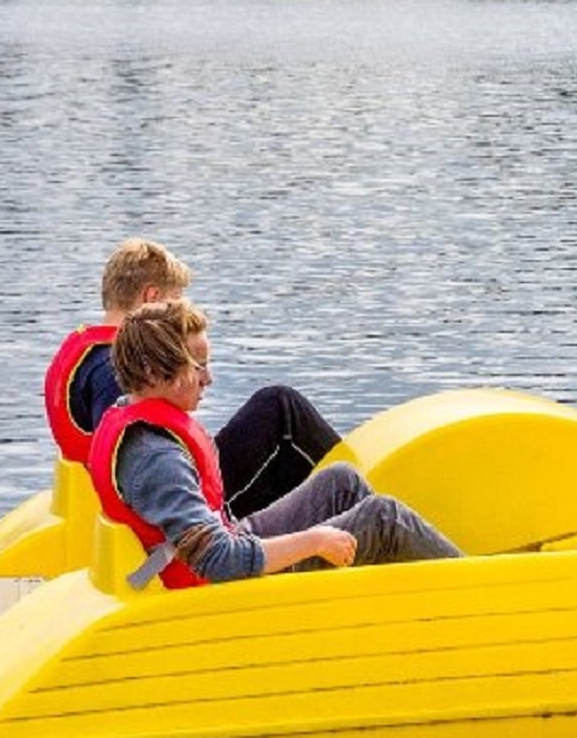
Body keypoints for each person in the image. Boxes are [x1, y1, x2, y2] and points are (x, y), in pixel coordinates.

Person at [89, 298, 463, 588]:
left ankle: (400, 597)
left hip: (227, 542)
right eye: (197, 366)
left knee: (341, 482)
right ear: (153, 371)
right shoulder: (155, 456)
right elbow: (220, 561)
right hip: (227, 591)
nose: (209, 379)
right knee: (383, 518)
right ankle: (477, 596)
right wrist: (315, 541)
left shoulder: (129, 412)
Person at [42, 238, 342, 517]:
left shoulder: (91, 353)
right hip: (172, 497)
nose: (181, 313)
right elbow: (132, 458)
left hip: (164, 483)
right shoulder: (117, 367)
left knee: (288, 466)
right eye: (175, 302)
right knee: (280, 406)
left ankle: (338, 509)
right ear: (152, 298)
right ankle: (361, 492)